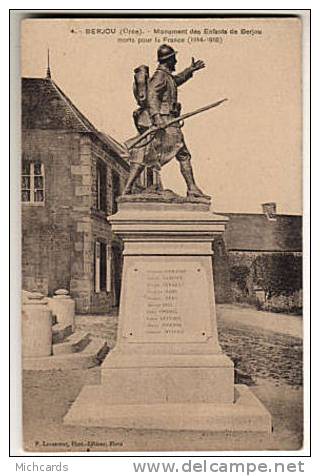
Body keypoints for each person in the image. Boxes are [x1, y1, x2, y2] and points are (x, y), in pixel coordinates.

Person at [123, 44, 209, 198]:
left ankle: (127, 189)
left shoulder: (165, 76)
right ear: (169, 60)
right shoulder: (160, 77)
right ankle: (192, 188)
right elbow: (151, 96)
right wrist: (157, 117)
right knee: (182, 154)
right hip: (165, 122)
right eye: (174, 58)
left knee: (143, 154)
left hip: (166, 121)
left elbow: (175, 81)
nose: (176, 61)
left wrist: (190, 70)